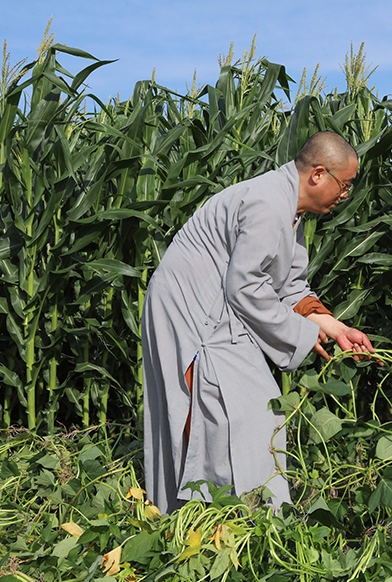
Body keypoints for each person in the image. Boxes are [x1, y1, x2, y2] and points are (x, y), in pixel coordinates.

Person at [142, 131, 375, 513]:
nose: (345, 196)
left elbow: (289, 285)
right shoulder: (269, 203)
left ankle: (245, 514)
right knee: (214, 411)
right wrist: (304, 332)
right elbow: (245, 285)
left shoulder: (290, 209)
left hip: (219, 312)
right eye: (344, 185)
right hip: (191, 312)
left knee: (258, 409)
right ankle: (200, 513)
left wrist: (334, 326)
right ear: (318, 174)